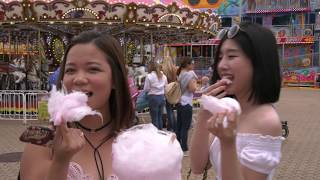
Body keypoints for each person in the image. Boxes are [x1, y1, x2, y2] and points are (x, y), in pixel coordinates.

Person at [20, 31, 134, 180]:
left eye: (93, 69)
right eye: (70, 70)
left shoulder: (137, 141)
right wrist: (61, 161)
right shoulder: (43, 142)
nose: (79, 79)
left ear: (115, 80)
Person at [190, 22, 284, 180]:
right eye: (220, 57)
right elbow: (198, 166)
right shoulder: (228, 108)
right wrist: (204, 112)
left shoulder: (267, 121)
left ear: (258, 62)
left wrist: (228, 142)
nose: (221, 65)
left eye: (231, 56)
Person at [176, 57, 198, 156]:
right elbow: (192, 89)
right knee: (185, 126)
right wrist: (195, 83)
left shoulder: (180, 74)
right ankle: (184, 147)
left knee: (179, 125)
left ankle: (178, 145)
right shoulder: (188, 75)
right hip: (187, 102)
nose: (193, 65)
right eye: (192, 63)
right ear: (187, 64)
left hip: (180, 101)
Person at [143, 61, 167, 129]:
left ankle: (155, 134)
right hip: (162, 97)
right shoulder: (163, 75)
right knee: (160, 116)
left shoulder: (149, 76)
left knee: (154, 118)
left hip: (153, 97)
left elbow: (146, 89)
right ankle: (160, 131)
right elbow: (166, 86)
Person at [162, 56, 178, 132]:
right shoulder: (174, 68)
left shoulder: (163, 69)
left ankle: (170, 127)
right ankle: (174, 125)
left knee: (168, 110)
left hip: (166, 90)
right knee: (171, 109)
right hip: (173, 90)